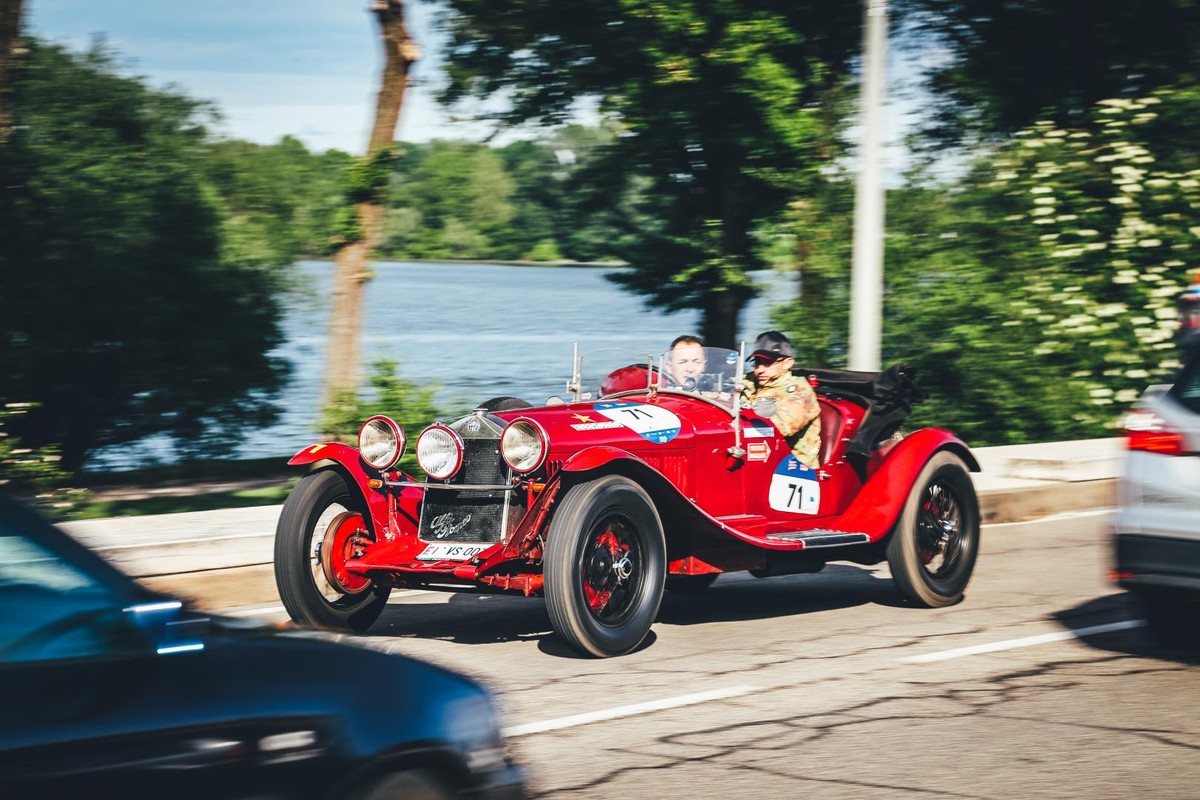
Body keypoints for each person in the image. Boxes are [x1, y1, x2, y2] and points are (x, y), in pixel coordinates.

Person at [740, 331, 822, 468]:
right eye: (757, 363)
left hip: (793, 469)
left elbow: (781, 427)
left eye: (767, 363)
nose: (760, 369)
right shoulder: (747, 382)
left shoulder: (799, 390)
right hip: (754, 460)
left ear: (787, 363)